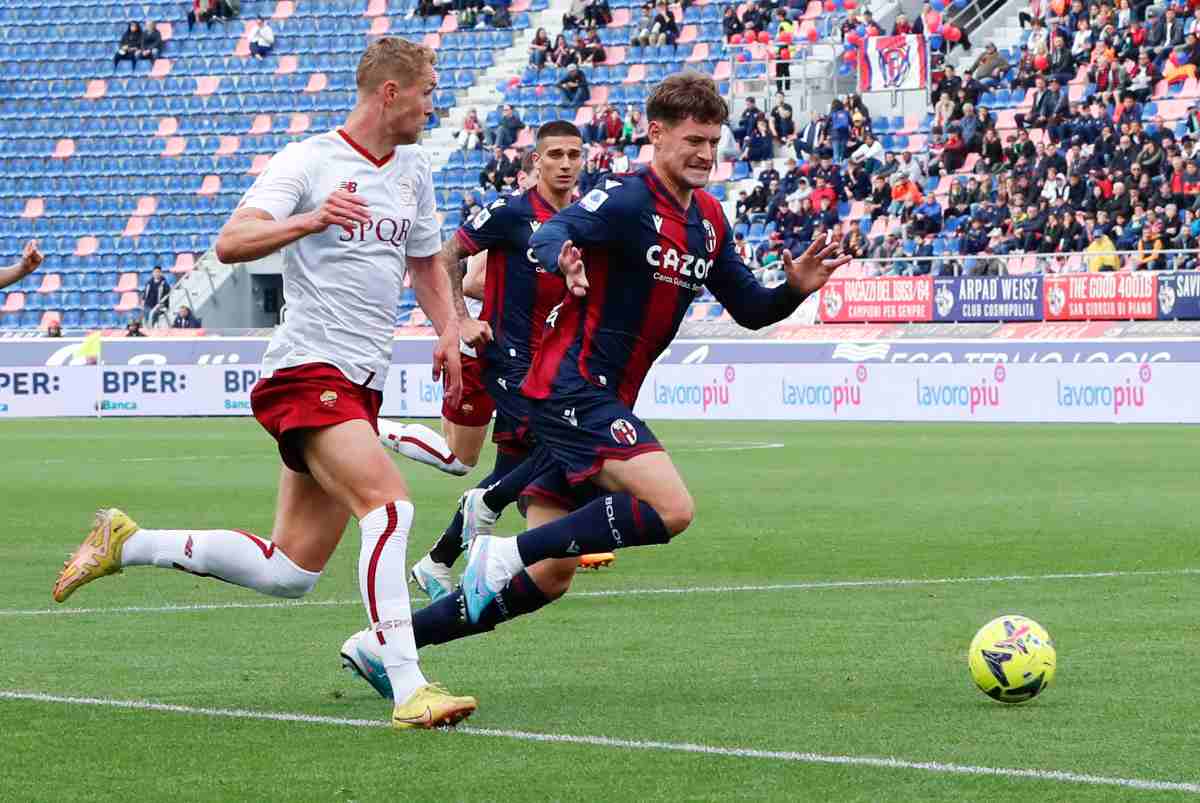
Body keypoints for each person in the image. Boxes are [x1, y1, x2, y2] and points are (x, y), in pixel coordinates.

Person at [53, 37, 477, 730]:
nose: (435, 102)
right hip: (306, 370)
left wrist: (448, 328)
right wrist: (311, 218)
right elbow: (231, 241)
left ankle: (126, 541)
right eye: (428, 90)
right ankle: (409, 687)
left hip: (358, 382)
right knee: (390, 505)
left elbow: (427, 262)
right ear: (391, 93)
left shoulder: (414, 170)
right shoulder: (308, 160)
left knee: (291, 570)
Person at [401, 72, 850, 653]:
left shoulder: (709, 220)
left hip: (600, 396)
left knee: (551, 577)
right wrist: (559, 261)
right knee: (672, 507)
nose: (706, 154)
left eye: (713, 142)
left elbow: (751, 310)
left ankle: (391, 644)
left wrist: (794, 289)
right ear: (656, 135)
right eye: (693, 140)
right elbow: (553, 230)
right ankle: (500, 547)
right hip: (572, 387)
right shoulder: (626, 198)